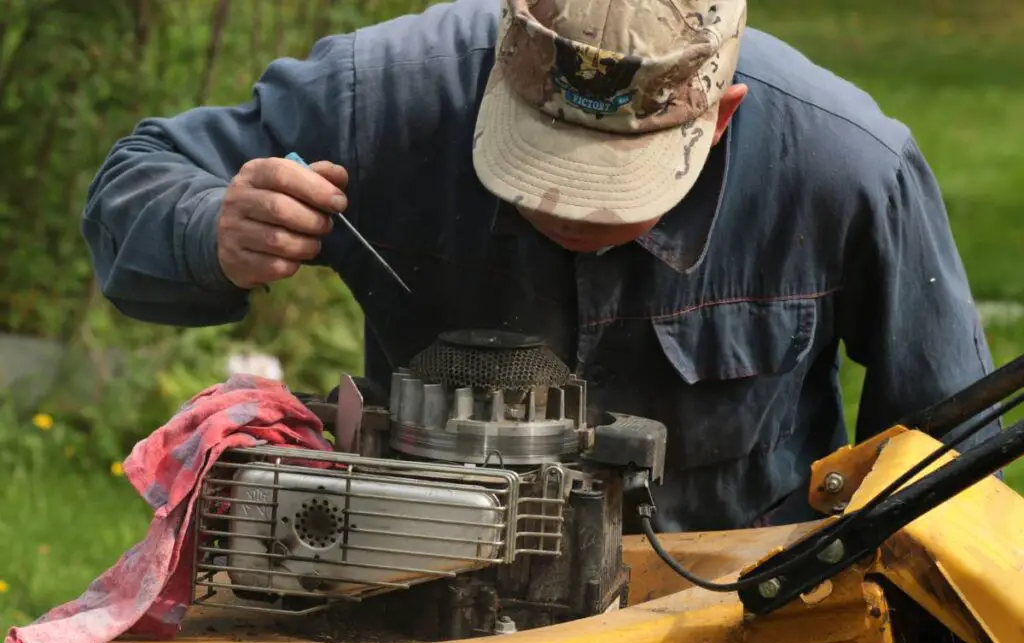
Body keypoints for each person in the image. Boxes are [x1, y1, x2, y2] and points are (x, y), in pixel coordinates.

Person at [81, 0, 997, 533]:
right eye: (541, 162)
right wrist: (213, 226)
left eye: (611, 186)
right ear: (499, 77)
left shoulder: (849, 168)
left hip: (737, 619)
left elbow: (952, 462)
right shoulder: (388, 93)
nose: (566, 205)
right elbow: (131, 186)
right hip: (428, 600)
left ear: (718, 118)